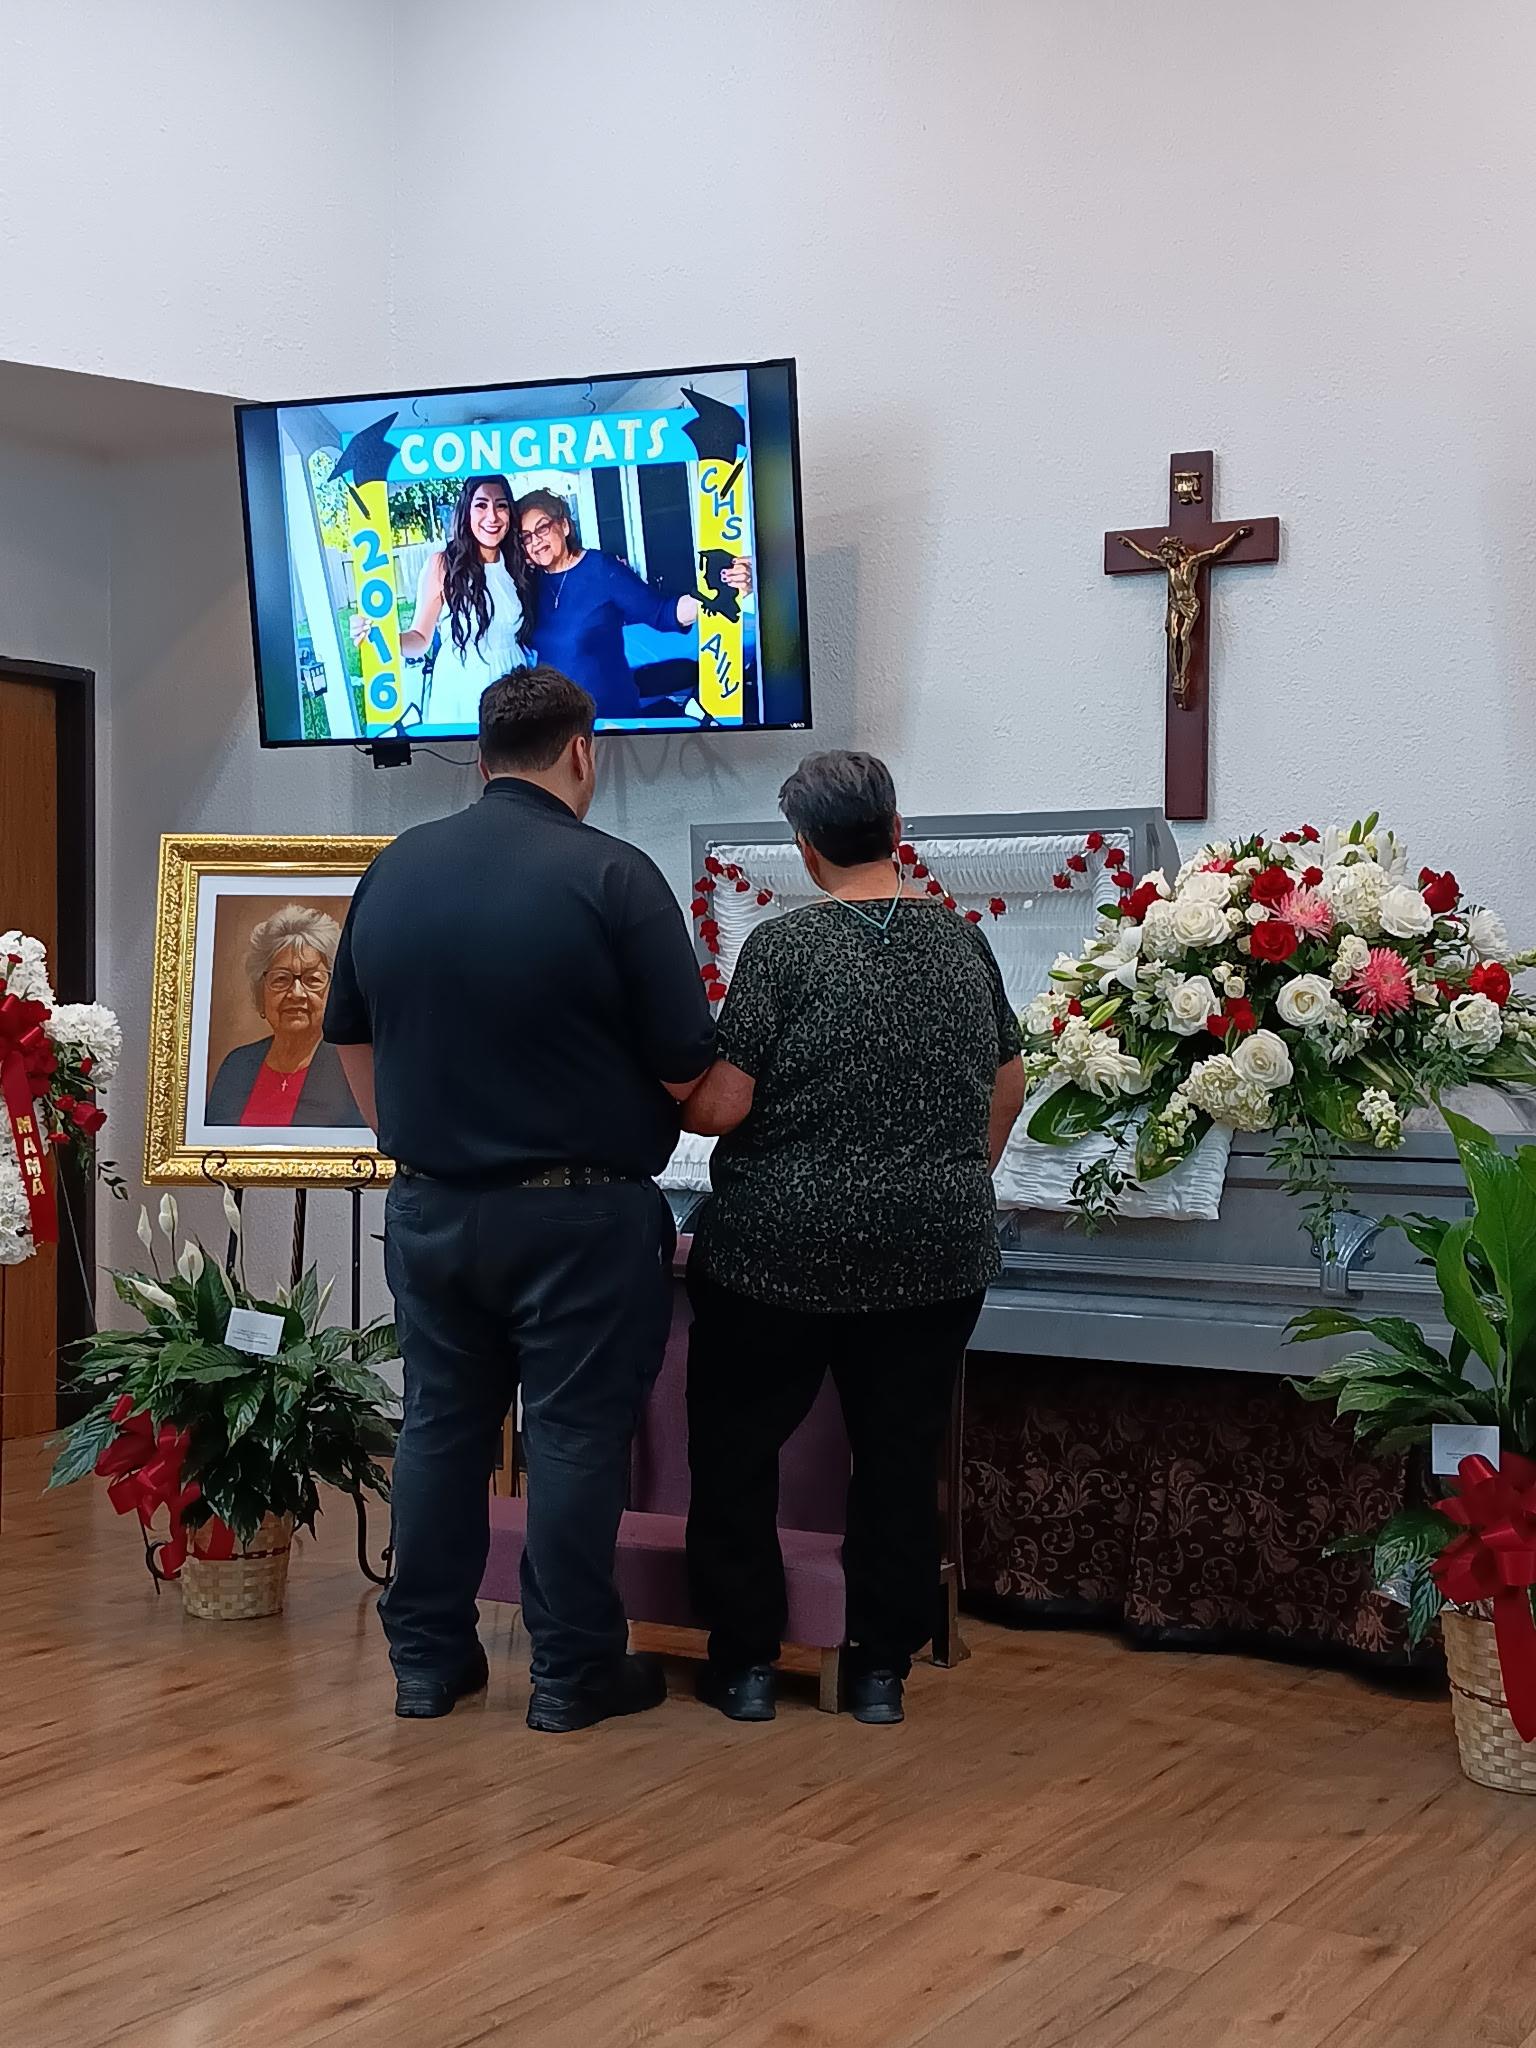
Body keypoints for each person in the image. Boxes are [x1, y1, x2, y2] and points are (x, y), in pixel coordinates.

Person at [323, 665, 714, 1731]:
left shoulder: (395, 869)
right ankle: (571, 1670)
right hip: (580, 1215)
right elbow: (692, 1074)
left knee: (438, 1430)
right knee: (576, 1437)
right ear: (583, 749)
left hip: (431, 1207)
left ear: (484, 753)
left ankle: (426, 1663)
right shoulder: (614, 875)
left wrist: (404, 1133)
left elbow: (346, 1029)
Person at [680, 751, 1026, 1727]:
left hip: (775, 1254)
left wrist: (668, 1081)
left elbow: (727, 1101)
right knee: (897, 1456)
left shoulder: (783, 949)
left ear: (804, 845)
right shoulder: (961, 944)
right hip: (934, 1249)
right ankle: (879, 1670)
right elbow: (1011, 1080)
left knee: (738, 1448)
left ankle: (745, 1663)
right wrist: (958, 1176)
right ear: (894, 824)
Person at [515, 489, 751, 722]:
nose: (536, 541)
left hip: (609, 721)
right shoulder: (528, 584)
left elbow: (663, 612)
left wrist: (724, 591)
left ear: (564, 526)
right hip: (554, 723)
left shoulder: (601, 569)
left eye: (542, 528)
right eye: (526, 536)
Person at [353, 474, 533, 729]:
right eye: (481, 505)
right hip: (462, 685)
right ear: (466, 511)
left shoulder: (517, 564)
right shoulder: (442, 564)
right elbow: (420, 639)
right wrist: (380, 636)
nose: (492, 516)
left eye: (501, 505)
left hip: (514, 683)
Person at [206, 905, 365, 1128]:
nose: (296, 993)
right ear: (261, 992)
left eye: (312, 979)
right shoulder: (237, 1066)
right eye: (281, 979)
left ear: (334, 991)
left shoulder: (352, 1070)